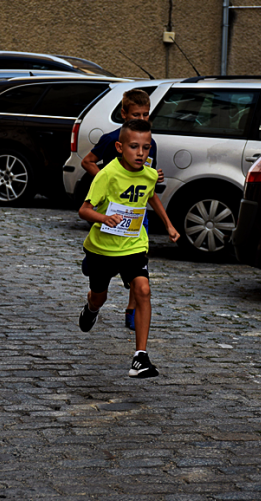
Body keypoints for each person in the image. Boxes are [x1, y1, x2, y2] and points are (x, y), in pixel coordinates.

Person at [77, 119, 180, 378]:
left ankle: (140, 357)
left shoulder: (148, 173)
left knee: (143, 289)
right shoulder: (107, 175)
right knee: (99, 296)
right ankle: (91, 308)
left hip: (133, 244)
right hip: (102, 248)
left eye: (146, 148)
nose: (141, 153)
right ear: (120, 147)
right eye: (135, 147)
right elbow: (84, 209)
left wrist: (168, 225)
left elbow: (150, 195)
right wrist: (103, 218)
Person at [81, 89, 164, 331]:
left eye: (146, 114)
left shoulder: (150, 143)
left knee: (138, 270)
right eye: (137, 114)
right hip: (111, 212)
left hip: (138, 211)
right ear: (123, 114)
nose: (142, 118)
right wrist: (108, 184)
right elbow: (87, 161)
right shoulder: (111, 139)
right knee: (103, 275)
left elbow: (146, 179)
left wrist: (153, 178)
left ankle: (132, 309)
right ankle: (94, 286)